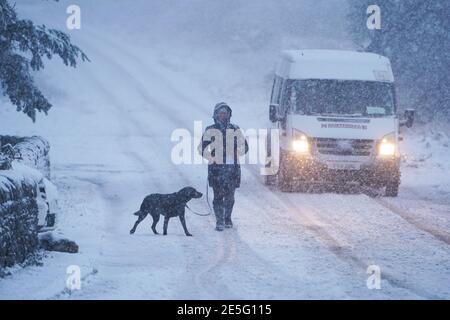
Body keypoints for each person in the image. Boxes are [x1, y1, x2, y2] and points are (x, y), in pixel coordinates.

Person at [198, 102, 249, 231]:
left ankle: (227, 218)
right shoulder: (210, 130)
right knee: (218, 196)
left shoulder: (235, 129)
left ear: (229, 115)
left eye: (225, 114)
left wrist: (238, 152)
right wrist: (211, 157)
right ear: (216, 115)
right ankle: (219, 221)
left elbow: (245, 147)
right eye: (220, 114)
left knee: (230, 197)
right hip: (216, 170)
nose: (222, 116)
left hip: (232, 170)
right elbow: (201, 148)